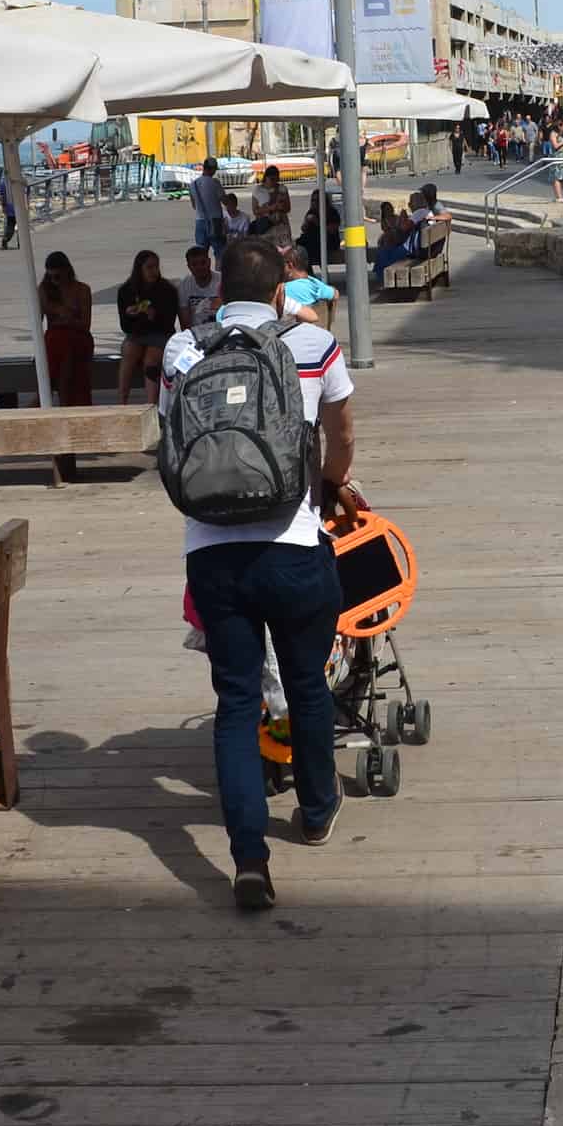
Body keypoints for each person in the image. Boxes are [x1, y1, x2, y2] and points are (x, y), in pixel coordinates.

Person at [160, 238, 360, 911]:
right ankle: (316, 809)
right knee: (305, 684)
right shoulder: (313, 346)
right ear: (281, 290)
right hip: (295, 543)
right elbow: (343, 435)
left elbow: (170, 437)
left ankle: (249, 857)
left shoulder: (182, 350)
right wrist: (330, 485)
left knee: (236, 704)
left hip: (211, 554)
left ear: (217, 291)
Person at [114, 249, 181, 405]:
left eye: (156, 267)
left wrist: (153, 316)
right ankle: (122, 401)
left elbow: (168, 324)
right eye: (149, 267)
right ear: (140, 269)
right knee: (129, 352)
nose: (154, 271)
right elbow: (125, 326)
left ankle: (151, 405)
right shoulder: (126, 291)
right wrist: (135, 315)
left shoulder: (167, 290)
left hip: (160, 333)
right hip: (137, 333)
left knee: (150, 359)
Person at [37, 250, 95, 408]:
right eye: (51, 277)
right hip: (55, 340)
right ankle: (63, 400)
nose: (54, 281)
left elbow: (85, 325)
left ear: (67, 271)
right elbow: (37, 321)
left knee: (67, 345)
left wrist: (67, 319)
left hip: (78, 337)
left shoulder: (82, 290)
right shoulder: (44, 290)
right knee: (61, 344)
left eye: (57, 277)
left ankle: (60, 399)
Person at [282, 244, 337, 328]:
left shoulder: (285, 289)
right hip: (318, 331)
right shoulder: (314, 282)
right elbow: (335, 294)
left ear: (290, 265)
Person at [177, 244, 222, 328]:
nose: (199, 267)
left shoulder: (222, 281)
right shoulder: (184, 285)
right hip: (196, 333)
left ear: (209, 262)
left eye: (203, 262)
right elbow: (184, 323)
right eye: (194, 264)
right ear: (189, 267)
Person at [189, 160, 226, 251]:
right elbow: (225, 201)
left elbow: (194, 205)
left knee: (201, 252)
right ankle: (218, 266)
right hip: (215, 221)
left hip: (200, 221)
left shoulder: (193, 184)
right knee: (219, 251)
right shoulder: (215, 183)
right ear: (213, 169)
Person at [251, 166, 293, 235]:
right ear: (266, 177)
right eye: (272, 179)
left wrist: (281, 207)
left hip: (280, 224)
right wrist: (270, 208)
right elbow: (255, 211)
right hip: (264, 225)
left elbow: (288, 208)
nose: (274, 182)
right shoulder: (258, 190)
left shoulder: (282, 188)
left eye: (276, 179)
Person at [0, 172, 21, 250]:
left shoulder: (3, 184)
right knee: (21, 227)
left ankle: (5, 239)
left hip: (9, 208)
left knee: (10, 226)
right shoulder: (18, 183)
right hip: (19, 207)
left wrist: (3, 207)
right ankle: (21, 243)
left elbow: (2, 197)